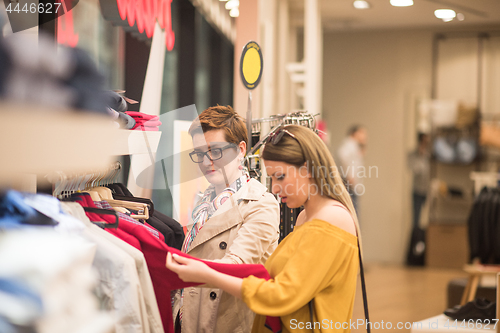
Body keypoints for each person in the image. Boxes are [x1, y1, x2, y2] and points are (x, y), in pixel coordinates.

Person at [167, 125, 362, 333]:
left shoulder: (330, 219)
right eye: (271, 179)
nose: (275, 189)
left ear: (307, 169)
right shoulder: (307, 216)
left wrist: (208, 275)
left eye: (280, 177)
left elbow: (281, 295)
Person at [172, 105, 280, 333]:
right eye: (199, 153)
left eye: (216, 151)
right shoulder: (203, 202)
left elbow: (236, 266)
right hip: (189, 317)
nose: (206, 161)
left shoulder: (260, 203)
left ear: (241, 149)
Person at [336, 125, 368, 212]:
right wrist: (349, 175)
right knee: (353, 210)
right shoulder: (350, 144)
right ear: (355, 133)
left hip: (353, 185)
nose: (365, 136)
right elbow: (343, 156)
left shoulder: (354, 146)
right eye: (362, 133)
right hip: (350, 185)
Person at [408, 132, 431, 228]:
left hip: (427, 190)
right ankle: (416, 239)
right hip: (417, 190)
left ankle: (422, 239)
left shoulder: (428, 154)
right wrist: (420, 156)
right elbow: (415, 169)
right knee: (416, 220)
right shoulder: (413, 155)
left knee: (426, 219)